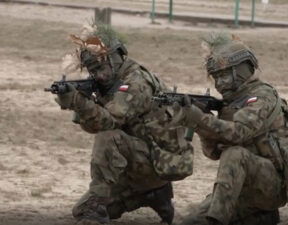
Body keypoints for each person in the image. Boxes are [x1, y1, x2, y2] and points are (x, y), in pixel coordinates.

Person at [171, 34, 288, 225]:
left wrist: (200, 118)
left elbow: (238, 133)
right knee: (191, 222)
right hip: (242, 188)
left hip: (272, 186)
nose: (220, 83)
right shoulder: (230, 103)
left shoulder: (262, 96)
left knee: (235, 154)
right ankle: (260, 217)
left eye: (225, 74)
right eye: (216, 77)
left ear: (242, 69)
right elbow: (214, 153)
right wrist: (201, 124)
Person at [54, 24, 194, 225]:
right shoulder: (110, 84)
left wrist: (79, 102)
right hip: (139, 162)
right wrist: (80, 102)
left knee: (108, 139)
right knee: (81, 210)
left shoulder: (136, 82)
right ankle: (154, 194)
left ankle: (145, 191)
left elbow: (109, 122)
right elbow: (93, 125)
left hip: (158, 162)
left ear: (116, 57)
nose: (99, 75)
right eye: (94, 71)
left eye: (101, 67)